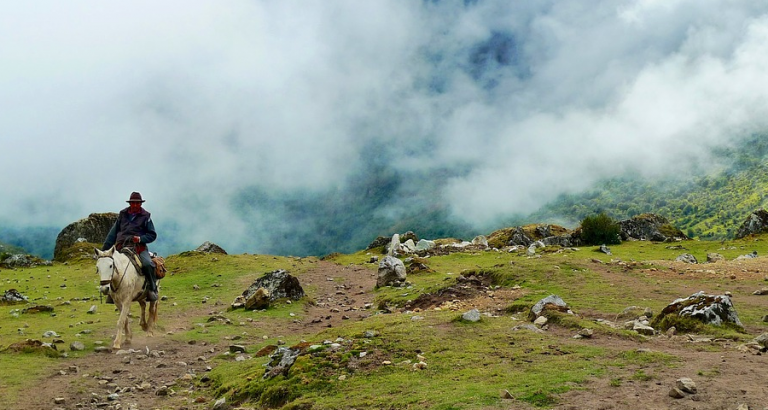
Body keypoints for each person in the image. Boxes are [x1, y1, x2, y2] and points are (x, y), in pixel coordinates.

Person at [102, 192, 159, 301]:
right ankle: (111, 292)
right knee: (110, 265)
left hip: (138, 247)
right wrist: (104, 251)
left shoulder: (146, 216)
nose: (135, 205)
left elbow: (152, 235)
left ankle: (152, 289)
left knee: (147, 264)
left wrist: (140, 239)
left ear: (141, 204)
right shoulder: (122, 215)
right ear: (130, 203)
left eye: (138, 203)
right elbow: (112, 233)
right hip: (121, 246)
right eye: (133, 203)